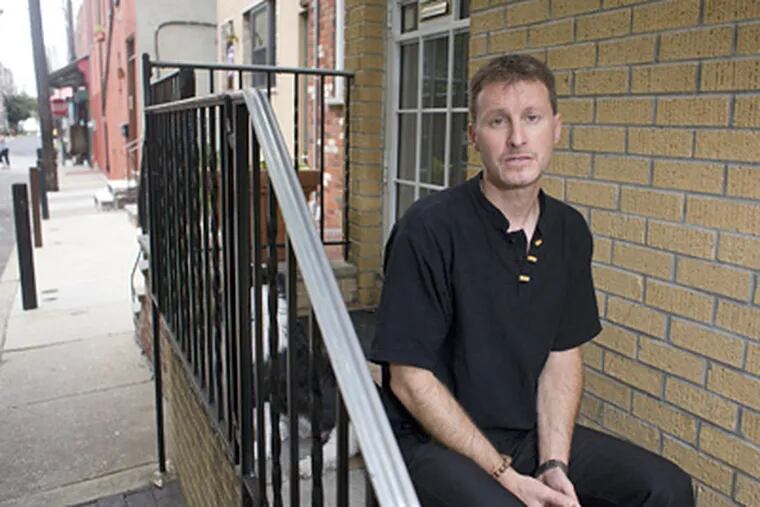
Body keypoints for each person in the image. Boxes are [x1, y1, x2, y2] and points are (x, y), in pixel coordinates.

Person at [370, 55, 694, 507]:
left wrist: (553, 463)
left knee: (667, 488)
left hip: (525, 433)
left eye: (532, 118)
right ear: (473, 136)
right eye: (498, 121)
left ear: (556, 129)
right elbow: (409, 379)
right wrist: (507, 476)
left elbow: (562, 356)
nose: (517, 138)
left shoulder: (568, 230)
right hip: (431, 443)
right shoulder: (428, 228)